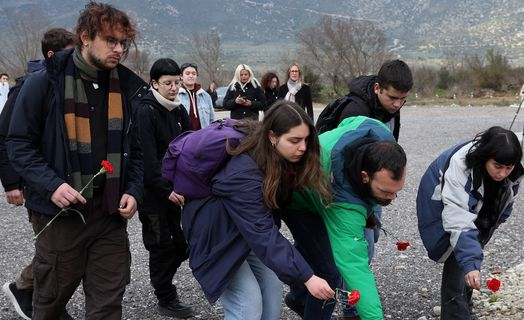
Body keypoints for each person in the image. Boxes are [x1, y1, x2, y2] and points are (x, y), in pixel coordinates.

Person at [6, 2, 147, 319]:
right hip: (61, 217)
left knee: (108, 305)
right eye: (111, 41)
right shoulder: (44, 83)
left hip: (110, 216)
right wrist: (52, 185)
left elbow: (136, 152)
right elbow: (18, 144)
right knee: (51, 303)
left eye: (123, 43)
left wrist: (134, 190)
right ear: (85, 36)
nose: (119, 50)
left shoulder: (126, 87)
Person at [181, 100, 335, 319]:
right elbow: (263, 233)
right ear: (272, 137)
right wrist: (308, 277)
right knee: (247, 304)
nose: (302, 147)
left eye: (306, 140)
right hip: (216, 237)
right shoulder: (244, 174)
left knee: (272, 290)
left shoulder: (278, 158)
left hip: (244, 232)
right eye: (295, 140)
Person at [287, 116, 408, 319]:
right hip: (296, 198)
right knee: (329, 271)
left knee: (317, 254)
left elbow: (351, 121)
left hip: (325, 186)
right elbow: (355, 266)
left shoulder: (378, 132)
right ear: (364, 176)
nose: (393, 198)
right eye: (386, 192)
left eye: (397, 191)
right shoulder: (343, 203)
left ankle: (298, 297)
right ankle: (305, 305)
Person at [0, 27, 75, 320]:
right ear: (52, 55)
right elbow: (7, 137)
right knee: (52, 250)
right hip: (39, 183)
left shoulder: (71, 83)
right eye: (71, 52)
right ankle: (29, 291)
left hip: (63, 181)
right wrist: (11, 183)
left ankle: (39, 295)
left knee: (60, 248)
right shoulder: (29, 86)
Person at [416, 126, 524, 320]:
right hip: (441, 203)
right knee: (457, 257)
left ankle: (465, 305)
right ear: (485, 157)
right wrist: (470, 263)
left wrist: (500, 218)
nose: (502, 173)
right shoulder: (460, 166)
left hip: (477, 207)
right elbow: (458, 221)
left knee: (469, 253)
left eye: (508, 168)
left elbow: (509, 194)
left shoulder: (510, 169)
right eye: (497, 167)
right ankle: (455, 313)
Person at [137, 58, 194, 318]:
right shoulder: (145, 111)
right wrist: (164, 189)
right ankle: (165, 296)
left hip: (176, 190)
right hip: (153, 193)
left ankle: (161, 283)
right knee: (160, 245)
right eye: (168, 83)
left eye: (177, 82)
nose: (174, 88)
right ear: (154, 84)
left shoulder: (179, 110)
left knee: (181, 246)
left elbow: (191, 147)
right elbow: (147, 159)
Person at [177, 62, 215, 130]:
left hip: (203, 136)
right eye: (187, 73)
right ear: (181, 76)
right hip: (184, 137)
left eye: (194, 73)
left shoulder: (206, 96)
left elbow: (212, 120)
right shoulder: (176, 96)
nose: (191, 76)